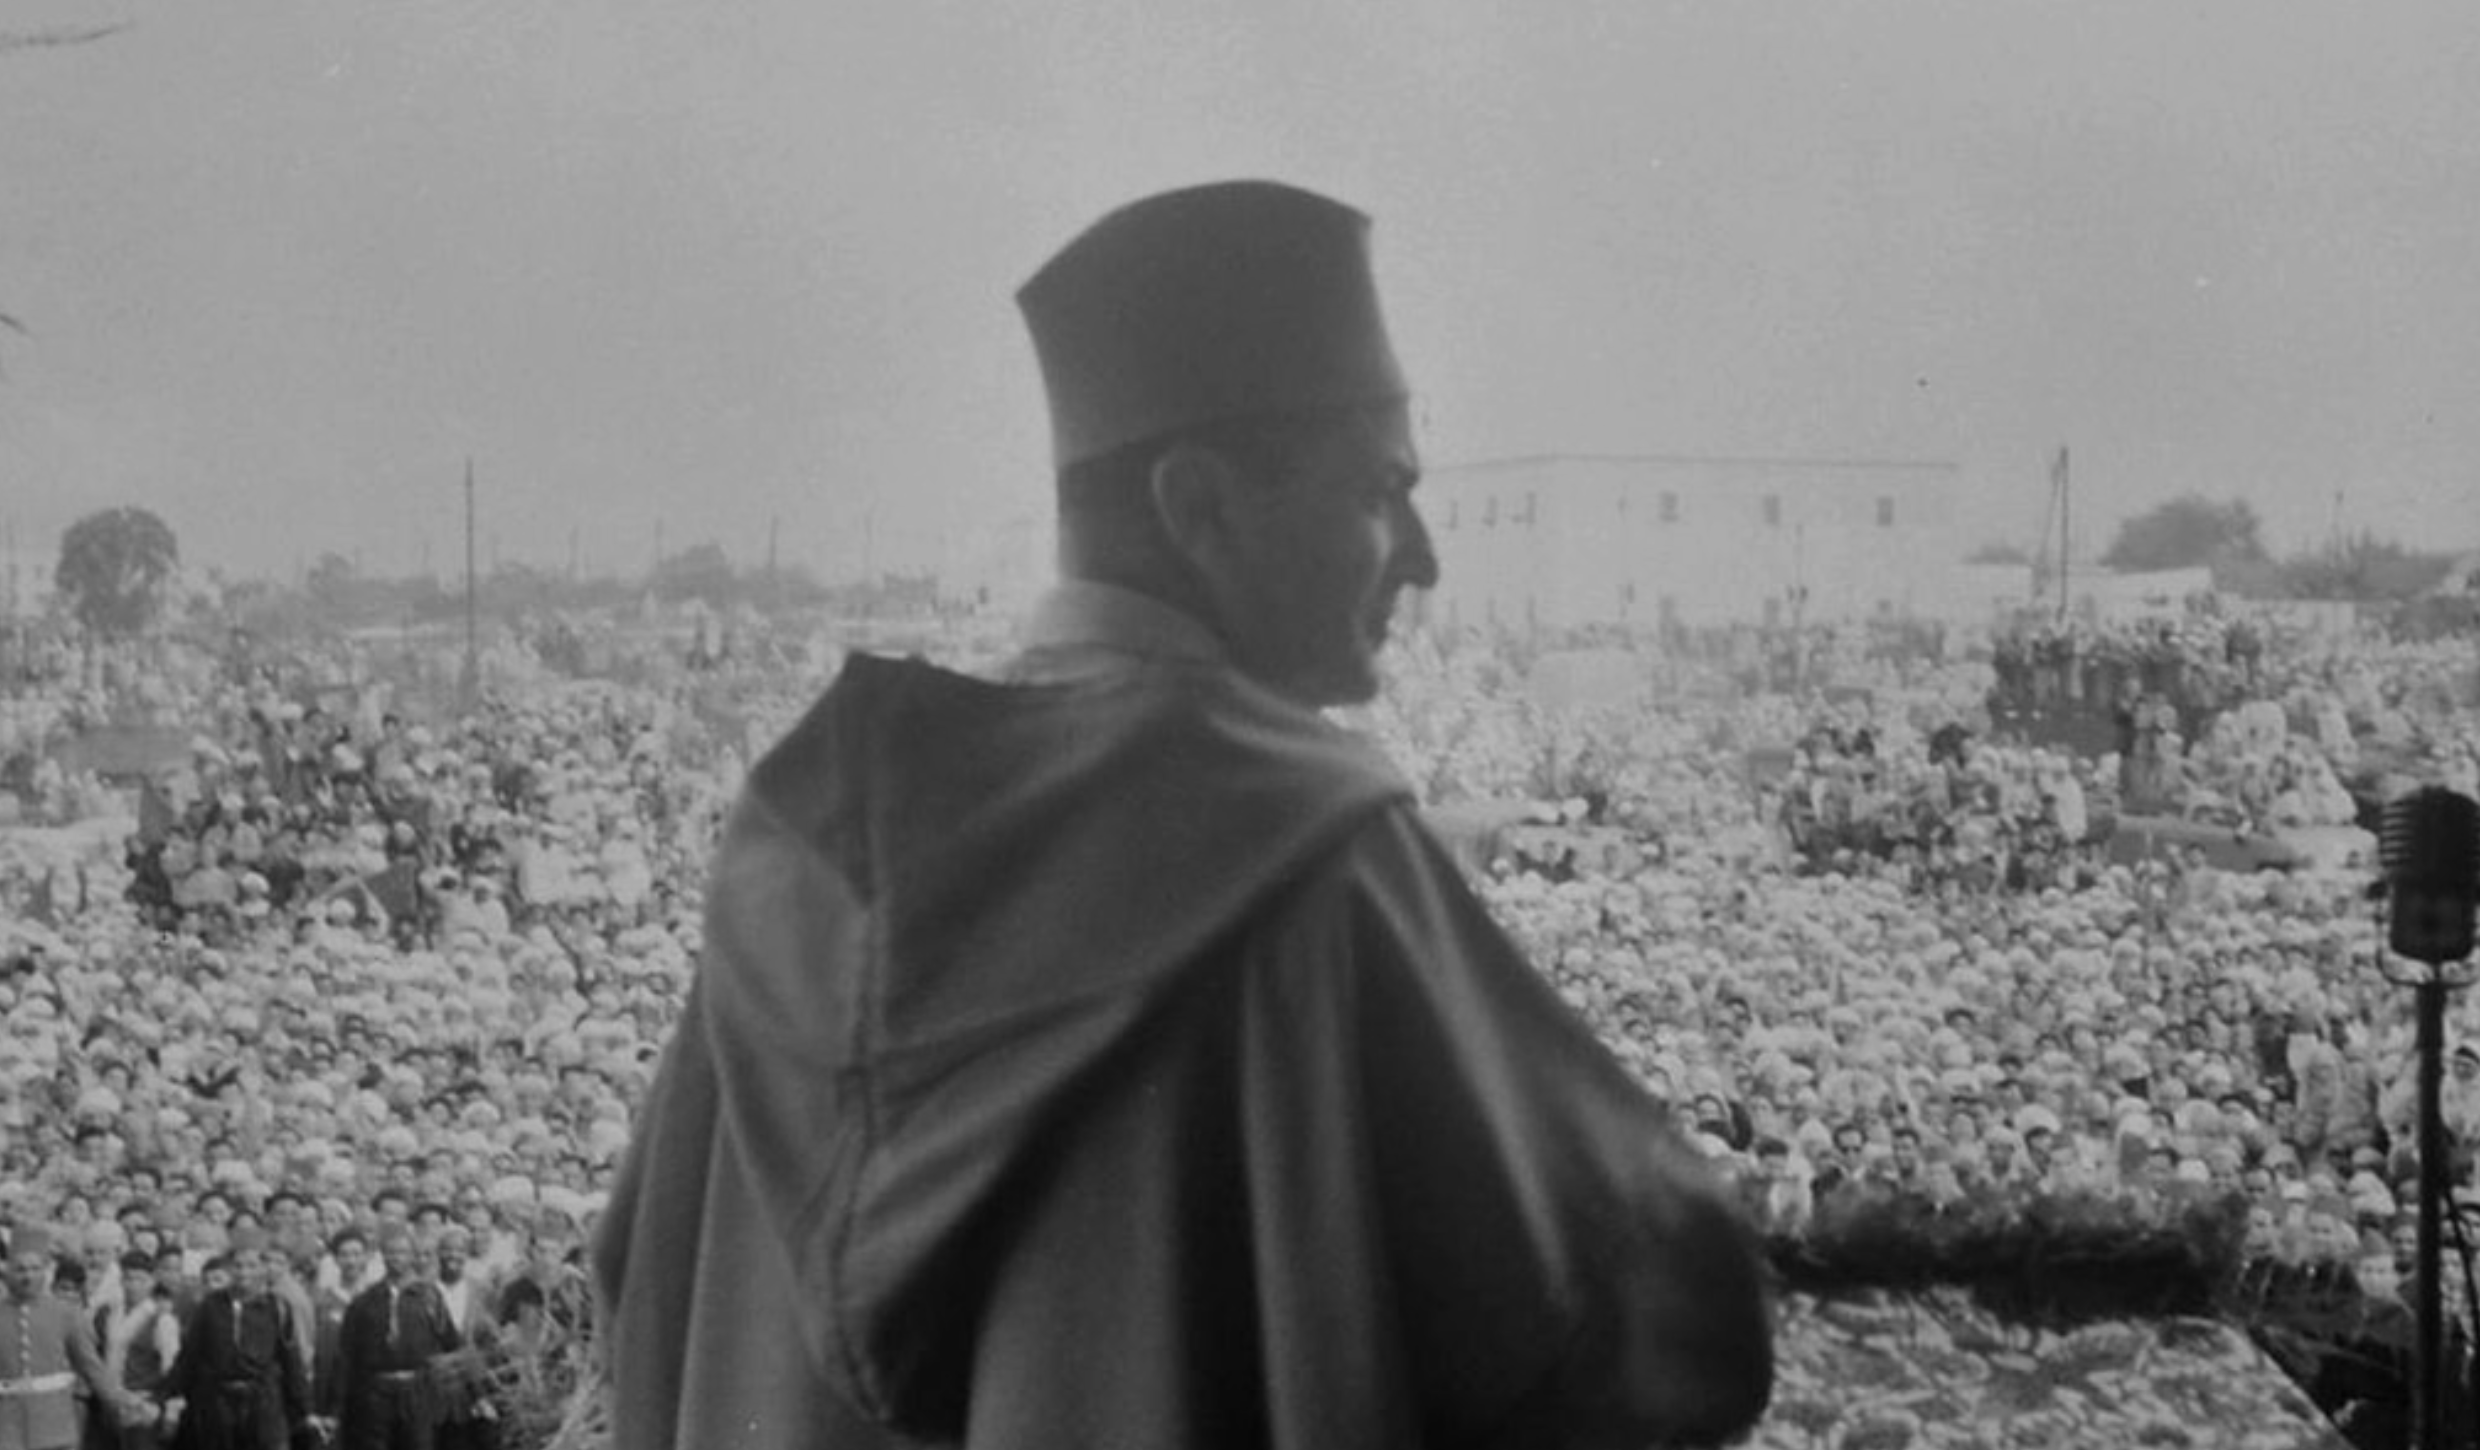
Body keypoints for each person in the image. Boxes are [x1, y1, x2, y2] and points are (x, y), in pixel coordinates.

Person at [594, 179, 1774, 1449]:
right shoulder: (1303, 856)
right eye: (1380, 489)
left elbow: (639, 1290)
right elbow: (1650, 1329)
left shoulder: (798, 847)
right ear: (1199, 505)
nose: (1423, 556)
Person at [0, 1225, 147, 1450]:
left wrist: (121, 1399)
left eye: (34, 1269)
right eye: (20, 1269)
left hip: (53, 1422)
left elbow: (91, 1367)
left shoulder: (66, 1314)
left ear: (45, 1272)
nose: (27, 1276)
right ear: (8, 1271)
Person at [157, 1235, 310, 1450]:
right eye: (238, 1266)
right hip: (218, 1407)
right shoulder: (211, 1306)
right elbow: (189, 1357)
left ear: (263, 1268)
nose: (244, 1272)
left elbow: (291, 1362)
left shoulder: (277, 1307)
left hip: (263, 1406)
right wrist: (165, 1396)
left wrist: (303, 1408)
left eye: (251, 1265)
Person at [334, 1227, 460, 1450]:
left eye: (402, 1252)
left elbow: (452, 1344)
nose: (396, 1258)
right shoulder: (365, 1301)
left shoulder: (429, 1297)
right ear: (381, 1255)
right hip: (375, 1393)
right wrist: (339, 1406)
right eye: (390, 1252)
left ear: (412, 1255)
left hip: (417, 1391)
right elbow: (346, 1355)